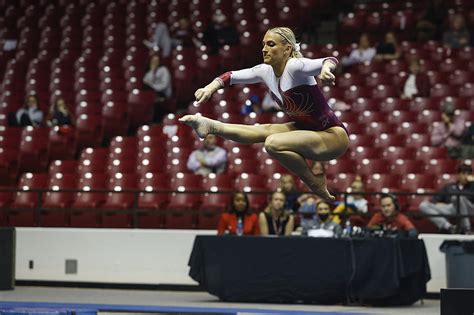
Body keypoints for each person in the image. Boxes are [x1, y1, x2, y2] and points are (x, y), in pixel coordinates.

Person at [180, 27, 349, 201]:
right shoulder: (265, 71)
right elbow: (231, 76)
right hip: (307, 129)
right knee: (265, 129)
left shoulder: (294, 67)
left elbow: (329, 59)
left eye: (270, 44)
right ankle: (211, 126)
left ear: (287, 49)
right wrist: (210, 88)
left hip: (332, 136)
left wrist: (326, 70)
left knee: (273, 143)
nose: (264, 49)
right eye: (263, 45)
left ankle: (314, 182)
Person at [419, 164, 474, 234]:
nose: (466, 176)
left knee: (457, 197)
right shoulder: (449, 187)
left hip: (468, 209)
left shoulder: (472, 186)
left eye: (468, 174)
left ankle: (467, 228)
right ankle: (449, 227)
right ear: (458, 175)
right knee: (423, 205)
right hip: (451, 208)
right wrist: (439, 203)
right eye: (463, 173)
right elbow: (435, 200)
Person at [142, 54, 172, 122]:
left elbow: (164, 85)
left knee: (155, 100)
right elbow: (145, 81)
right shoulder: (150, 71)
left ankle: (157, 121)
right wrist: (152, 71)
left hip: (163, 93)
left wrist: (152, 86)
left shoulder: (164, 70)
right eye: (153, 61)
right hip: (153, 92)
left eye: (156, 61)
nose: (155, 62)